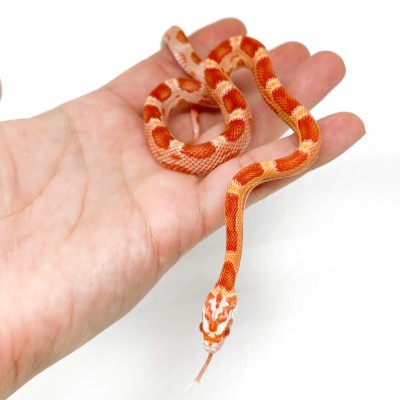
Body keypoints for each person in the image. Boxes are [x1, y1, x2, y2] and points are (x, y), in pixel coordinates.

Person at [0, 18, 364, 398]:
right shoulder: (232, 192)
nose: (215, 330)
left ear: (216, 303)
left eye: (212, 326)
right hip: (201, 91)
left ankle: (196, 66)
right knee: (208, 93)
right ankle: (192, 68)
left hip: (220, 82)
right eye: (219, 326)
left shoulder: (238, 186)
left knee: (238, 111)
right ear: (224, 305)